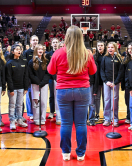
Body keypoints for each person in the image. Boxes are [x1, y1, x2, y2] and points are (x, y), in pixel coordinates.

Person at [47, 26, 97, 162]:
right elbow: (93, 71)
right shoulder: (87, 53)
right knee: (81, 124)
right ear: (81, 37)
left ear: (66, 37)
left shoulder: (58, 53)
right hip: (82, 90)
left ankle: (66, 153)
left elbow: (50, 71)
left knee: (65, 124)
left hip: (63, 91)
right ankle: (81, 153)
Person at [6, 44, 29, 129]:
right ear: (12, 51)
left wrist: (26, 87)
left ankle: (19, 120)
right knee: (12, 105)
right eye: (17, 49)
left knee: (19, 105)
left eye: (20, 49)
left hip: (21, 87)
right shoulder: (9, 63)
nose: (19, 51)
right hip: (13, 88)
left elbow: (26, 76)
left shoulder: (23, 62)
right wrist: (11, 88)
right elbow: (8, 77)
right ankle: (12, 121)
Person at [101, 42, 123, 127]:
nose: (110, 49)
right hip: (106, 83)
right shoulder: (105, 58)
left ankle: (115, 119)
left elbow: (121, 71)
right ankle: (107, 119)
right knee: (107, 100)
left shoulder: (118, 58)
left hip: (115, 83)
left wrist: (116, 82)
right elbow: (102, 71)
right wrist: (106, 81)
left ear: (115, 48)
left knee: (114, 100)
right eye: (109, 47)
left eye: (112, 47)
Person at [28, 44, 50, 125]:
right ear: (36, 51)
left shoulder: (46, 61)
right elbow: (30, 74)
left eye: (41, 49)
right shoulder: (31, 62)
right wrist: (37, 82)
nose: (40, 50)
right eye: (38, 49)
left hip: (44, 84)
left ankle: (42, 118)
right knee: (36, 101)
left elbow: (48, 73)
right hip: (35, 84)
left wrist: (43, 82)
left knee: (43, 102)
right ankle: (36, 118)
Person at [24, 35, 39, 119]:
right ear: (30, 41)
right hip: (29, 79)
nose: (35, 41)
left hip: (38, 78)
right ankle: (30, 113)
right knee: (29, 96)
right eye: (34, 40)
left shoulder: (40, 51)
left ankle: (37, 112)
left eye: (36, 40)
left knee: (37, 96)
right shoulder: (26, 53)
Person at [46, 38, 61, 124]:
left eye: (56, 42)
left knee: (59, 96)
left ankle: (59, 113)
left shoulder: (61, 53)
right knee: (52, 95)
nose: (55, 44)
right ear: (51, 44)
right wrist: (53, 77)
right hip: (52, 78)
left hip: (60, 78)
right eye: (54, 42)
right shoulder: (48, 54)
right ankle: (52, 111)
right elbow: (49, 67)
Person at [91, 41, 106, 122]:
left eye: (101, 45)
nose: (100, 47)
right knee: (97, 98)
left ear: (104, 46)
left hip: (105, 81)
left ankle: (105, 115)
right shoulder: (94, 57)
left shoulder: (106, 56)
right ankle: (97, 114)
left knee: (105, 99)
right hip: (97, 81)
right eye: (98, 45)